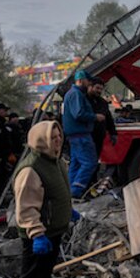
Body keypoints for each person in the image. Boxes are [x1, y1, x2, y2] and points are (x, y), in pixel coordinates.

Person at [12, 120, 80, 278]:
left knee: (45, 272)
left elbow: (58, 193)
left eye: (59, 135)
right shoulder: (31, 168)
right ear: (41, 140)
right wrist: (36, 233)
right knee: (29, 276)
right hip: (38, 234)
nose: (58, 140)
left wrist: (68, 210)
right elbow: (26, 206)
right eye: (53, 137)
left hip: (53, 229)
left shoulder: (56, 161)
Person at [62, 70, 101, 199]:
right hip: (81, 135)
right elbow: (78, 114)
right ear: (81, 80)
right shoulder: (76, 94)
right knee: (89, 162)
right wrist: (95, 117)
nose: (89, 83)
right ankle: (77, 190)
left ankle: (69, 190)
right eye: (88, 81)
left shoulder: (71, 94)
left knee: (76, 163)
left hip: (74, 135)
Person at [88, 78, 117, 159]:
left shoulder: (103, 102)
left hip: (99, 138)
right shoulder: (84, 100)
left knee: (94, 161)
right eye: (97, 88)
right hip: (87, 136)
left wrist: (113, 133)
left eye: (101, 89)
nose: (99, 91)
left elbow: (108, 119)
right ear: (91, 87)